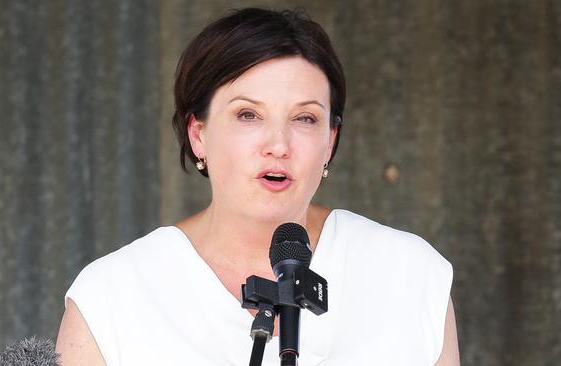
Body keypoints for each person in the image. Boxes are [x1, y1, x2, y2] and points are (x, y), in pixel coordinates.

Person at [55, 7, 460, 366]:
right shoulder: (112, 297)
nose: (279, 145)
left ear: (330, 141)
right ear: (198, 134)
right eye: (248, 115)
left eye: (305, 119)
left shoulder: (410, 274)